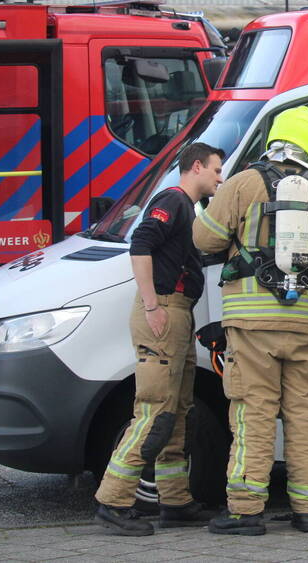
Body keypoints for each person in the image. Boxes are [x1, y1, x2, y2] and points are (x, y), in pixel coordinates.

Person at [192, 105, 308, 536]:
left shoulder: (245, 183)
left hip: (251, 325)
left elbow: (205, 237)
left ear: (275, 139)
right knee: (305, 415)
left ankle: (246, 510)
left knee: (253, 413)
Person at [94, 142, 224, 536]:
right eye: (216, 170)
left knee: (178, 411)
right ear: (196, 166)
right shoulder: (173, 201)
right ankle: (113, 501)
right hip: (165, 313)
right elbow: (141, 244)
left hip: (177, 313)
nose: (220, 177)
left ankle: (175, 501)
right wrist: (153, 306)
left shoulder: (189, 208)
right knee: (155, 411)